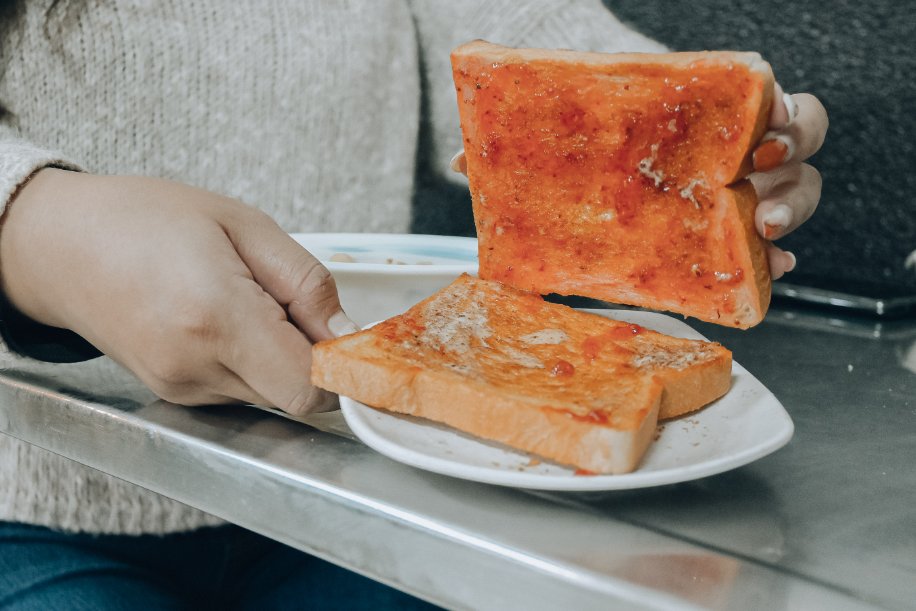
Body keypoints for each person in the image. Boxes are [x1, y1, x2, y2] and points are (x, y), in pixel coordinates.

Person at [0, 0, 828, 608]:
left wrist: (694, 124)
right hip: (35, 503)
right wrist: (32, 222)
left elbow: (514, 30)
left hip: (357, 484)